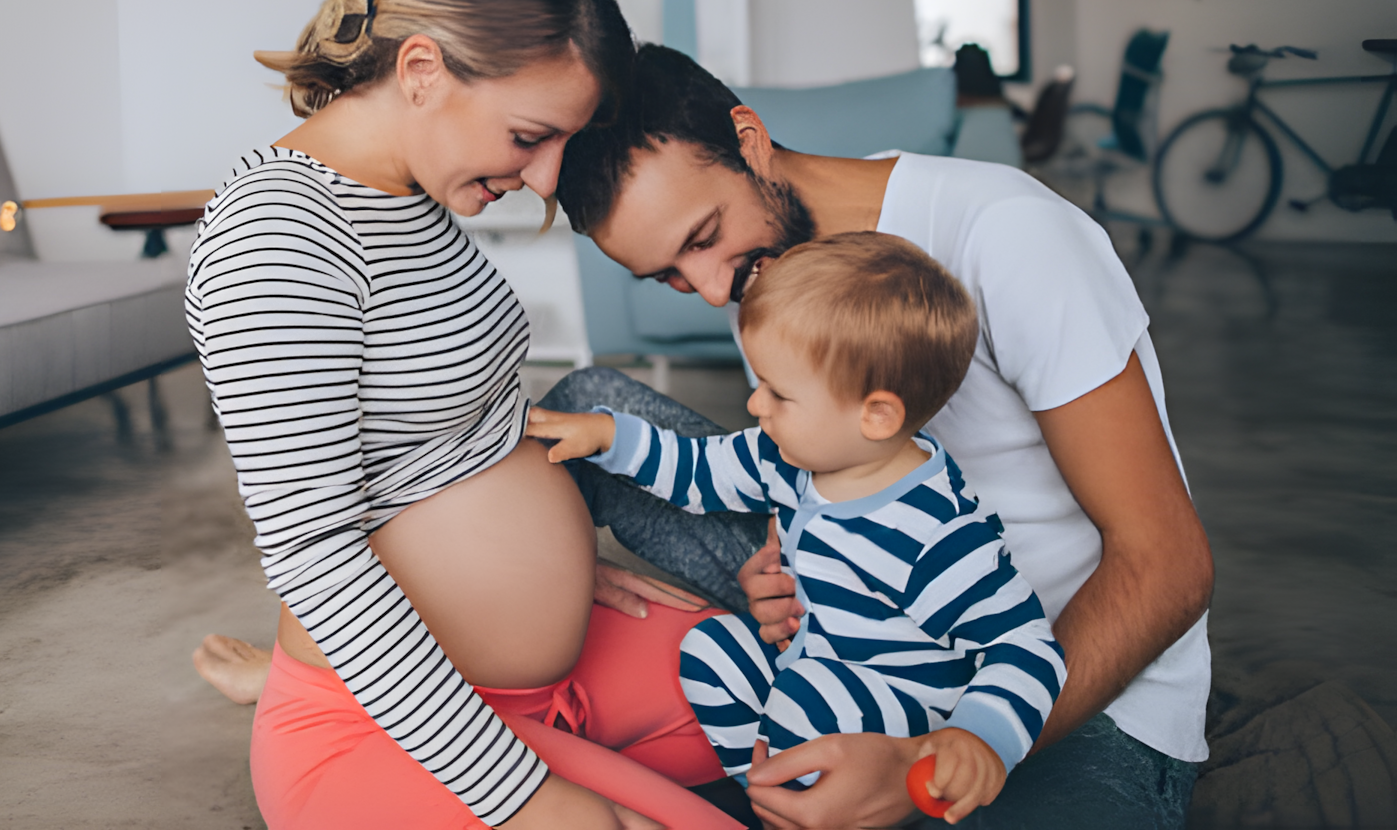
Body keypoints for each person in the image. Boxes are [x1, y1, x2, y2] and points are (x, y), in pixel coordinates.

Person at [195, 41, 1214, 828]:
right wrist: (793, 551)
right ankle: (345, 669)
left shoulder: (1007, 238)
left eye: (702, 240)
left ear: (751, 141)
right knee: (600, 402)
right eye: (671, 278)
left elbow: (1168, 565)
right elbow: (814, 458)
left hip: (1036, 674)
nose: (716, 289)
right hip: (856, 621)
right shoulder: (766, 272)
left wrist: (927, 761)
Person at [186, 0, 743, 830]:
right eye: (531, 137)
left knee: (795, 704)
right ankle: (295, 702)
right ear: (420, 72)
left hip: (532, 670)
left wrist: (554, 568)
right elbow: (313, 554)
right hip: (385, 721)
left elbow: (450, 440)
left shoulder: (409, 189)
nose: (547, 178)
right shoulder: (278, 237)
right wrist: (528, 799)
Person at [529, 231, 1067, 827]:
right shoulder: (791, 455)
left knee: (807, 696)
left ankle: (800, 794)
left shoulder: (935, 533)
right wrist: (609, 437)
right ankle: (771, 799)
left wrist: (978, 736)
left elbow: (1025, 646)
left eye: (778, 394)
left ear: (877, 415)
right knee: (710, 651)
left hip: (904, 710)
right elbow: (699, 470)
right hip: (814, 660)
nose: (756, 406)